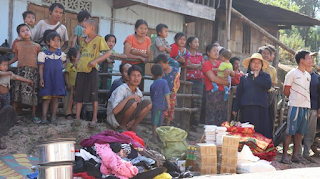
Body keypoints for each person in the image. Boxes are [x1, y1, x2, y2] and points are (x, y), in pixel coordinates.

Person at [74, 19, 111, 128]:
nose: (83, 29)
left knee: (93, 94)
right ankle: (77, 118)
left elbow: (108, 52)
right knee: (79, 94)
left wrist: (95, 61)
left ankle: (94, 118)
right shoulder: (82, 40)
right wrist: (76, 61)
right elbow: (80, 52)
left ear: (92, 29)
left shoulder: (99, 39)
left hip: (92, 70)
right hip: (81, 69)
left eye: (85, 27)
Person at [232, 53, 272, 138]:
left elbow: (268, 86)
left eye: (258, 63)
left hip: (260, 107)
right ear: (250, 64)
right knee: (247, 131)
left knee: (260, 131)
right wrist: (235, 107)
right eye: (254, 62)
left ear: (261, 65)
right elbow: (239, 94)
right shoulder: (244, 78)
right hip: (247, 107)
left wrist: (257, 78)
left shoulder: (266, 77)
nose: (256, 65)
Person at [281, 50, 311, 164]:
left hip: (305, 106)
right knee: (290, 132)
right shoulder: (292, 73)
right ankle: (284, 156)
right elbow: (286, 90)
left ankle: (294, 156)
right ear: (301, 60)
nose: (310, 60)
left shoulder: (308, 75)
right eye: (308, 58)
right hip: (294, 106)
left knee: (300, 132)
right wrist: (294, 99)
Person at [9, 24, 41, 123]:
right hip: (21, 71)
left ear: (31, 32)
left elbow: (39, 61)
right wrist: (7, 64)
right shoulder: (17, 45)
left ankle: (33, 114)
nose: (26, 32)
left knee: (33, 93)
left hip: (33, 72)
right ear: (19, 34)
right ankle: (13, 115)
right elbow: (16, 57)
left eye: (27, 30)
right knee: (16, 92)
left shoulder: (37, 46)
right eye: (22, 31)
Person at [106, 65, 152, 131]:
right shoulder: (121, 89)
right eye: (133, 75)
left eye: (138, 76)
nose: (136, 78)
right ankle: (122, 127)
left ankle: (133, 126)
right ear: (128, 76)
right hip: (116, 120)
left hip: (129, 118)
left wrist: (133, 120)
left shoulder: (138, 91)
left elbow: (140, 108)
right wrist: (129, 97)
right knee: (132, 103)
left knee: (148, 103)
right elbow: (115, 111)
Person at [38, 31, 67, 124]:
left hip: (58, 79)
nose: (56, 42)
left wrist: (61, 67)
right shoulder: (43, 54)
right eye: (53, 40)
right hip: (47, 79)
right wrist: (41, 78)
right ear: (48, 42)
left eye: (58, 41)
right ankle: (44, 117)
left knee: (55, 98)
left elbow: (66, 62)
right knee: (46, 99)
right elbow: (41, 67)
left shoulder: (61, 54)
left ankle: (54, 117)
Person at [202, 44, 230, 125]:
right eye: (214, 50)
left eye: (217, 51)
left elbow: (228, 74)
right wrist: (227, 83)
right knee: (212, 115)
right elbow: (213, 79)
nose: (216, 52)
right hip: (212, 92)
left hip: (223, 92)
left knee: (222, 115)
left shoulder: (221, 63)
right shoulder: (206, 64)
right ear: (208, 52)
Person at [299, 52, 320, 163]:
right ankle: (297, 154)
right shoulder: (299, 74)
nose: (312, 60)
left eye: (313, 58)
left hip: (313, 106)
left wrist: (319, 107)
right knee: (299, 131)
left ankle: (306, 153)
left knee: (310, 132)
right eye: (309, 58)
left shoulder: (316, 77)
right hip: (301, 105)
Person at [123, 19, 151, 91]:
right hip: (129, 65)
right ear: (135, 29)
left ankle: (138, 101)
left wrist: (138, 52)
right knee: (126, 87)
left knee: (139, 87)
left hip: (140, 66)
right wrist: (140, 57)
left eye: (145, 29)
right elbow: (126, 54)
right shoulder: (130, 38)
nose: (143, 31)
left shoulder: (148, 40)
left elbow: (147, 55)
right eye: (141, 28)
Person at [155, 54, 180, 126]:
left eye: (161, 65)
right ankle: (159, 126)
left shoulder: (175, 71)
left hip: (172, 95)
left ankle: (167, 127)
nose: (160, 67)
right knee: (162, 111)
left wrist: (173, 91)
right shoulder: (160, 73)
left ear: (166, 63)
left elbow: (177, 83)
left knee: (170, 112)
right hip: (162, 95)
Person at [185, 36, 205, 126]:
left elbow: (203, 66)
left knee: (198, 102)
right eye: (195, 42)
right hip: (189, 80)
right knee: (189, 100)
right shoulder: (186, 53)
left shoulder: (200, 55)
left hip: (199, 81)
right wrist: (197, 65)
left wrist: (193, 65)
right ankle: (187, 122)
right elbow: (187, 64)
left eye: (198, 42)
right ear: (189, 44)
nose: (197, 44)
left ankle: (195, 123)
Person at [150, 64, 170, 139]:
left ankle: (154, 136)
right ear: (162, 73)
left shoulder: (152, 85)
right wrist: (168, 104)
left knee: (154, 121)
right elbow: (167, 93)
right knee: (159, 122)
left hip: (155, 105)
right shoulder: (164, 82)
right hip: (162, 105)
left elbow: (151, 96)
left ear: (153, 75)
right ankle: (158, 137)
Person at [64, 47, 78, 118]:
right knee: (69, 100)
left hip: (77, 86)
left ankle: (75, 113)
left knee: (76, 100)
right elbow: (66, 74)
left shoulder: (78, 66)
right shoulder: (70, 65)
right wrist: (67, 84)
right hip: (70, 86)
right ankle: (68, 113)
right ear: (73, 57)